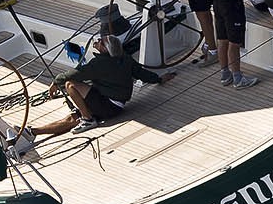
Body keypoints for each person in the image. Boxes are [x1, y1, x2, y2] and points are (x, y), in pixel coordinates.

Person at [31, 35, 176, 135]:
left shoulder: (100, 64)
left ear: (105, 49)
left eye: (101, 41)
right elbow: (141, 73)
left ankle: (88, 120)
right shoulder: (125, 59)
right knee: (73, 118)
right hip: (114, 105)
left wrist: (56, 82)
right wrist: (159, 79)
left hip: (108, 105)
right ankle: (33, 132)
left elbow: (75, 74)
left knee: (71, 85)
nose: (98, 40)